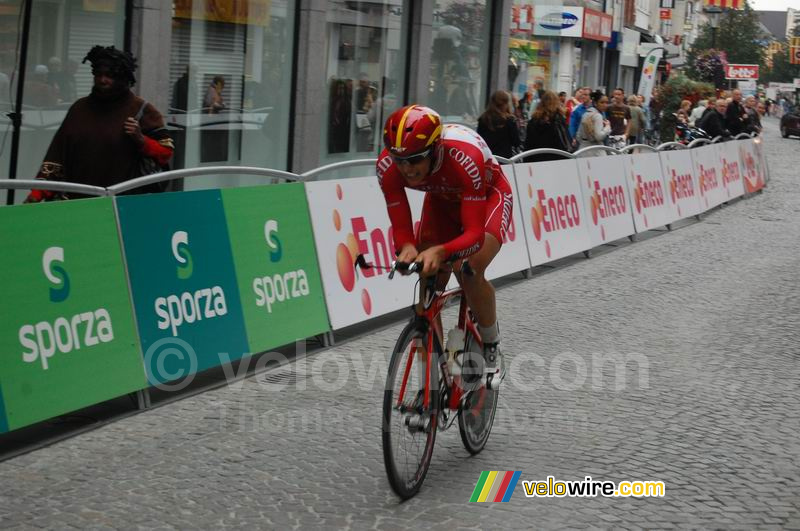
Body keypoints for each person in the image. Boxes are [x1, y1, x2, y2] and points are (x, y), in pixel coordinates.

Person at [376, 105, 514, 381]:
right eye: (399, 160)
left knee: (469, 270)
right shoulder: (387, 167)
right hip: (441, 202)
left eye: (415, 159)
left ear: (435, 149)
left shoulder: (465, 157)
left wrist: (441, 251)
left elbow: (474, 235)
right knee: (427, 276)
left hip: (488, 198)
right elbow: (401, 228)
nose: (406, 169)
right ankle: (431, 384)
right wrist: (407, 248)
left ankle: (490, 344)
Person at [25, 45, 173, 202]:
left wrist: (141, 140)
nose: (103, 80)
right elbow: (57, 156)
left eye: (110, 75)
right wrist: (37, 194)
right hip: (77, 202)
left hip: (121, 203)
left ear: (123, 77)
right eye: (99, 74)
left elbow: (165, 153)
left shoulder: (141, 110)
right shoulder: (79, 109)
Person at [523, 90, 570, 161]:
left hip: (536, 158)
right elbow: (565, 140)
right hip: (556, 159)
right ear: (557, 102)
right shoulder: (559, 120)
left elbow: (528, 143)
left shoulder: (533, 120)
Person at [476, 90, 520, 159]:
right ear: (506, 103)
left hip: (487, 158)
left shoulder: (483, 119)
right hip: (504, 159)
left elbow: (479, 140)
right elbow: (516, 142)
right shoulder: (510, 120)